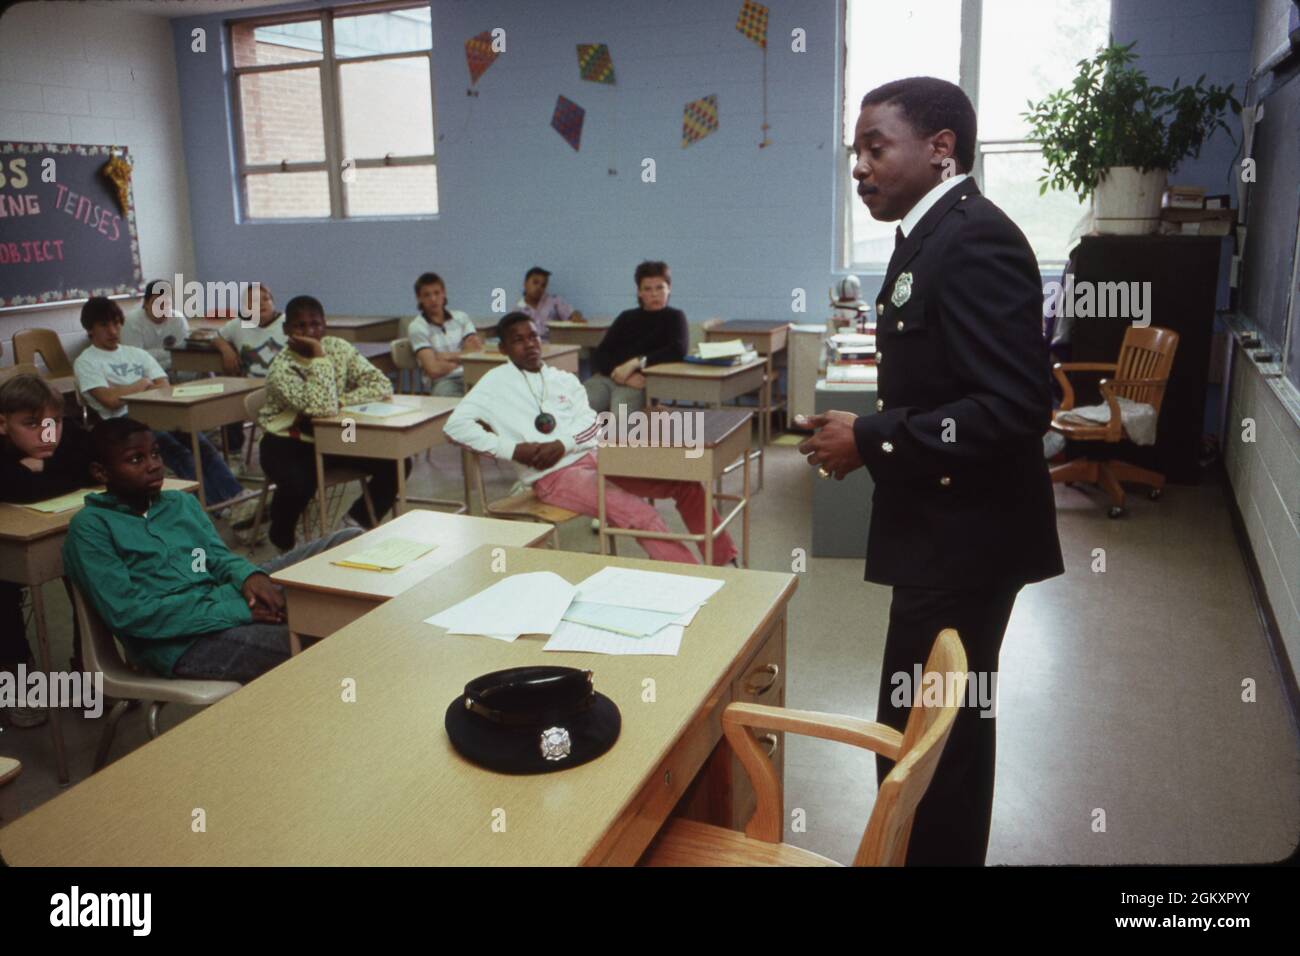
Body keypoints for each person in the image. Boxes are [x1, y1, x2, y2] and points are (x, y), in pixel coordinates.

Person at [797, 76, 1063, 866]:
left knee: (932, 743)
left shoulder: (974, 237)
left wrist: (874, 439)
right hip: (941, 533)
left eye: (876, 147)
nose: (860, 167)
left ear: (941, 149)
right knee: (926, 732)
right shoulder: (926, 235)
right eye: (857, 153)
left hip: (970, 542)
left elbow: (1018, 405)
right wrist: (871, 437)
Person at [62, 417, 360, 683]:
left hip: (225, 595)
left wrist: (248, 576)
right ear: (101, 473)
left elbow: (215, 558)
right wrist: (236, 610)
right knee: (312, 632)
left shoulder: (180, 503)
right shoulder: (91, 528)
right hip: (183, 642)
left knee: (348, 540)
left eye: (155, 453)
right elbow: (132, 615)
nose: (153, 465)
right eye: (136, 459)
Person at [445, 311, 735, 566]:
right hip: (554, 476)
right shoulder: (494, 383)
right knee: (643, 516)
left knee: (687, 486)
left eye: (533, 336)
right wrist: (510, 449)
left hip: (596, 457)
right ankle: (698, 583)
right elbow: (455, 426)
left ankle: (725, 560)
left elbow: (591, 425)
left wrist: (563, 444)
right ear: (504, 348)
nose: (530, 344)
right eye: (518, 340)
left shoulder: (563, 379)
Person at [257, 295, 406, 552]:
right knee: (300, 484)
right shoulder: (282, 368)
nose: (309, 332)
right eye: (299, 326)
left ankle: (355, 522)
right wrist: (318, 357)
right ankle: (281, 535)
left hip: (333, 436)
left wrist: (342, 401)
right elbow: (321, 408)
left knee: (396, 462)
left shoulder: (338, 347)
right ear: (285, 330)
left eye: (315, 324)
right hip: (285, 442)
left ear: (325, 324)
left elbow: (381, 385)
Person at [73, 296, 246, 507]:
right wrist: (143, 383)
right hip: (123, 421)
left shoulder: (136, 353)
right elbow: (109, 400)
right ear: (89, 329)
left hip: (159, 411)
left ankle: (237, 497)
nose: (113, 331)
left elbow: (164, 388)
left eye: (116, 323)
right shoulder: (86, 361)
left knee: (200, 443)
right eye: (104, 325)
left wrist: (125, 390)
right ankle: (213, 506)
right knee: (177, 451)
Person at [0, 373, 95, 727]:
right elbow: (15, 486)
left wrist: (46, 469)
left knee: (88, 575)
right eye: (30, 424)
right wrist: (60, 473)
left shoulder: (66, 433)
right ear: (2, 424)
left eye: (52, 422)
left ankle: (89, 664)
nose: (46, 433)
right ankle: (16, 673)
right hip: (5, 546)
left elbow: (94, 466)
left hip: (54, 527)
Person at [586, 260, 687, 416]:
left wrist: (636, 363)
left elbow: (678, 349)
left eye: (660, 287)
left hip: (641, 382)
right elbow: (600, 355)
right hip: (611, 377)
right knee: (577, 404)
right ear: (639, 292)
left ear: (669, 289)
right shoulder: (626, 317)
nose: (654, 294)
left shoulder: (674, 317)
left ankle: (615, 440)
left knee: (620, 413)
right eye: (647, 289)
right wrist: (621, 375)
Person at [214, 282, 287, 454]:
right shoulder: (240, 325)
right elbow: (217, 337)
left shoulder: (287, 324)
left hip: (282, 387)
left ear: (274, 303)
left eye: (265, 299)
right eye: (253, 301)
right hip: (250, 387)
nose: (261, 304)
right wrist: (226, 350)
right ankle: (234, 452)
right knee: (227, 401)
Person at [407, 272, 481, 396]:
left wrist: (443, 356)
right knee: (449, 399)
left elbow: (476, 350)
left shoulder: (461, 317)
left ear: (444, 293)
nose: (433, 299)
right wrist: (463, 357)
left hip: (472, 375)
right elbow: (433, 370)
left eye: (437, 293)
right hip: (443, 381)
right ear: (419, 298)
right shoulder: (417, 327)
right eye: (427, 295)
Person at [120, 278, 189, 375]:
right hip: (143, 375)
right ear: (146, 303)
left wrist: (149, 354)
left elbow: (183, 355)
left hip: (174, 371)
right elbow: (135, 360)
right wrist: (168, 355)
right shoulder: (132, 322)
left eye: (167, 303)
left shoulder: (178, 320)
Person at [515, 266, 581, 339]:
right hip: (532, 347)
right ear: (525, 284)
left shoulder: (555, 301)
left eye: (543, 285)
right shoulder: (518, 310)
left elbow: (572, 315)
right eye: (535, 282)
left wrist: (576, 315)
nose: (539, 287)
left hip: (556, 345)